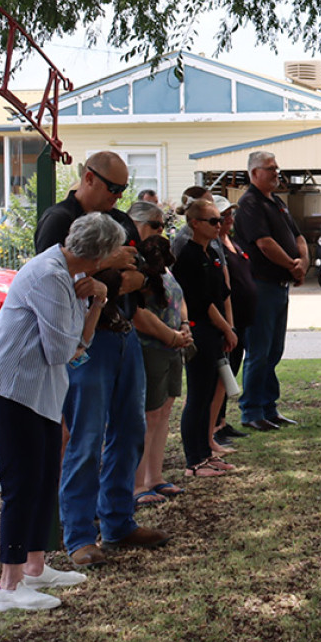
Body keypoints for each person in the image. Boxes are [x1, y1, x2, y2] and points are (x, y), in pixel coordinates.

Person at [34, 151, 168, 568]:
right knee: (86, 437)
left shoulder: (121, 220)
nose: (117, 197)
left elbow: (145, 267)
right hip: (86, 343)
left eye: (123, 190)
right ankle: (78, 535)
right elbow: (53, 276)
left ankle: (118, 521)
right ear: (88, 178)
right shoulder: (59, 219)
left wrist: (134, 277)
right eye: (112, 189)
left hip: (125, 334)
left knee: (130, 431)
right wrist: (109, 265)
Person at [0, 212, 119, 610]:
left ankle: (35, 566)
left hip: (41, 390)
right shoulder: (49, 275)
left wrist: (98, 301)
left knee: (45, 478)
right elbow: (65, 350)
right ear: (98, 257)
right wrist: (85, 317)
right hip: (13, 389)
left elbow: (80, 343)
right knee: (22, 484)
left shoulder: (69, 275)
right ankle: (7, 587)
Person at [233, 151, 307, 431]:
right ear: (254, 174)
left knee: (274, 350)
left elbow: (297, 236)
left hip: (280, 286)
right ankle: (251, 411)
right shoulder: (250, 203)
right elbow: (264, 243)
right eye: (270, 169)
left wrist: (303, 263)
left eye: (277, 167)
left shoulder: (276, 202)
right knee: (259, 351)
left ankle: (269, 407)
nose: (277, 173)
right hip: (260, 285)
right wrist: (292, 265)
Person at [129, 216, 192, 506]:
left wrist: (185, 325)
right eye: (153, 225)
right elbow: (140, 315)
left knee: (164, 412)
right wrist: (171, 336)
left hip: (172, 348)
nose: (160, 231)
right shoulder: (139, 271)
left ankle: (155, 477)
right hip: (151, 349)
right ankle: (138, 483)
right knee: (148, 416)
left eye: (163, 226)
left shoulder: (166, 271)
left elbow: (179, 299)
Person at [173, 197, 238, 476]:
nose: (218, 225)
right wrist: (227, 328)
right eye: (212, 221)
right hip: (199, 329)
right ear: (194, 223)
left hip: (213, 330)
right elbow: (202, 302)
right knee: (198, 396)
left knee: (211, 393)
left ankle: (206, 451)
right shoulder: (188, 256)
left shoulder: (209, 253)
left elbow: (221, 293)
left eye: (219, 220)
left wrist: (226, 328)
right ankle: (194, 460)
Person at [215, 200, 255, 445]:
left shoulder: (234, 242)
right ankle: (214, 426)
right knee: (220, 374)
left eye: (230, 214)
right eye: (223, 216)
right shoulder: (213, 246)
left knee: (232, 370)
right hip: (225, 321)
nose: (229, 219)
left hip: (242, 318)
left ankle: (222, 420)